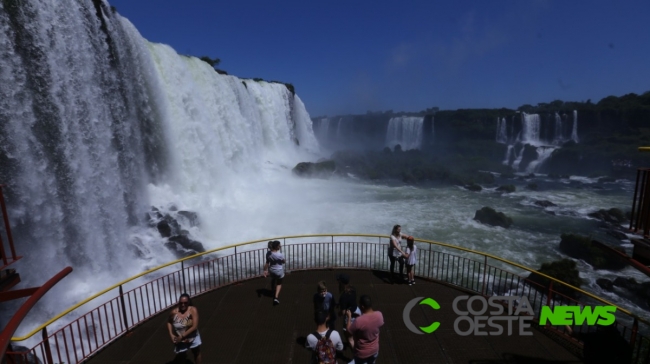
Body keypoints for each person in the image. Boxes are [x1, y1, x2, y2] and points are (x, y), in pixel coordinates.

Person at [346, 295, 384, 364]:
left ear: (362, 306)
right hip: (374, 350)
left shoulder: (359, 321)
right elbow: (379, 324)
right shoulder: (379, 315)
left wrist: (349, 317)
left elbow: (349, 331)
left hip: (362, 353)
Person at [167, 293, 202, 364]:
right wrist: (171, 334)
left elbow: (194, 326)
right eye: (181, 303)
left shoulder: (192, 310)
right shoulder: (174, 313)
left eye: (185, 303)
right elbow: (169, 322)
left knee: (196, 352)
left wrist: (182, 336)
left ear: (188, 302)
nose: (183, 305)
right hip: (181, 340)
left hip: (192, 337)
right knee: (181, 356)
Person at [337, 273, 359, 349]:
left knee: (349, 338)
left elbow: (343, 312)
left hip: (350, 316)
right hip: (357, 311)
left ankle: (356, 354)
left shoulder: (343, 297)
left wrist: (339, 313)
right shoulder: (353, 289)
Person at [263, 240, 285, 305]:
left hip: (272, 270)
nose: (280, 246)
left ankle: (272, 291)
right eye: (279, 245)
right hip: (279, 271)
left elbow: (267, 263)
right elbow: (284, 262)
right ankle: (276, 297)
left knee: (273, 279)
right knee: (279, 283)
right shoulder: (280, 255)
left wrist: (264, 270)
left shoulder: (268, 253)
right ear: (276, 247)